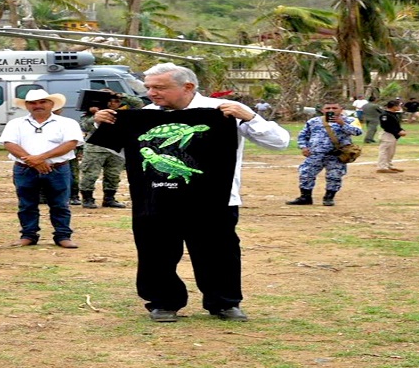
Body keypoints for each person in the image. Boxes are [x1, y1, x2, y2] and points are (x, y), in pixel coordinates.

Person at [92, 63, 290, 322]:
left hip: (214, 198)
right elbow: (128, 152)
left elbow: (280, 142)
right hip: (157, 197)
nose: (152, 93)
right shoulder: (143, 116)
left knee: (218, 252)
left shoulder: (223, 112)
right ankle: (163, 301)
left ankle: (224, 303)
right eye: (149, 87)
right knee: (155, 251)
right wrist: (103, 125)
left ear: (188, 87)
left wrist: (251, 118)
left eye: (160, 87)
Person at [0, 89, 84, 249]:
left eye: (42, 102)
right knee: (26, 204)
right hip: (25, 169)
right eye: (33, 103)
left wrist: (40, 157)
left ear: (51, 104)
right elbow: (9, 144)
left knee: (60, 203)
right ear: (27, 106)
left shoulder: (67, 123)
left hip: (57, 169)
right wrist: (34, 162)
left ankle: (63, 235)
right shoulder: (15, 123)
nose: (38, 105)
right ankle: (28, 235)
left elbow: (71, 143)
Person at [286, 100, 363, 207]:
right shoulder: (313, 121)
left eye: (334, 108)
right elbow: (303, 135)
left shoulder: (351, 120)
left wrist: (342, 124)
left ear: (341, 109)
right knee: (306, 174)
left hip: (336, 155)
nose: (331, 110)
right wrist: (304, 147)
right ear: (322, 110)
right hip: (315, 154)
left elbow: (358, 132)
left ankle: (329, 198)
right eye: (328, 108)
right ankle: (305, 197)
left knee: (334, 176)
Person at [79, 91, 143, 209]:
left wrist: (122, 95)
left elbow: (139, 104)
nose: (113, 103)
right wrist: (95, 117)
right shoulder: (92, 114)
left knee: (113, 174)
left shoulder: (124, 112)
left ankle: (109, 198)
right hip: (96, 148)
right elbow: (85, 126)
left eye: (116, 101)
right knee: (90, 174)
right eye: (109, 100)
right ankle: (87, 198)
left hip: (117, 147)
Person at [376, 99, 406, 173]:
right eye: (398, 105)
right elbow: (386, 126)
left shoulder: (393, 114)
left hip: (393, 135)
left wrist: (401, 130)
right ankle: (382, 167)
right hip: (387, 134)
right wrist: (398, 132)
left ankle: (388, 165)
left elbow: (395, 125)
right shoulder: (385, 115)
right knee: (384, 151)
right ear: (394, 106)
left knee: (391, 151)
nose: (400, 107)